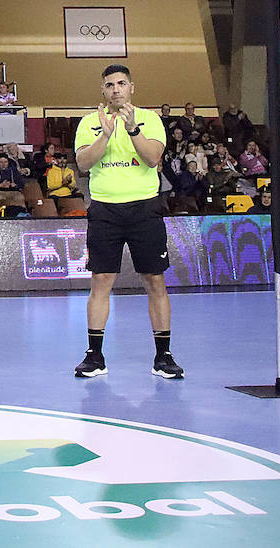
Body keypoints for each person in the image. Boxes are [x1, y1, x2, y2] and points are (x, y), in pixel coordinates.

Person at [73, 64, 183, 381]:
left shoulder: (150, 120)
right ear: (103, 90)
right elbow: (83, 163)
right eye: (110, 85)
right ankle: (95, 356)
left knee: (155, 282)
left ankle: (164, 356)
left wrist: (133, 129)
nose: (116, 89)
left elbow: (152, 158)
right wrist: (105, 136)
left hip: (144, 209)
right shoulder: (89, 123)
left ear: (132, 87)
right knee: (101, 282)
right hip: (105, 210)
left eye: (122, 84)